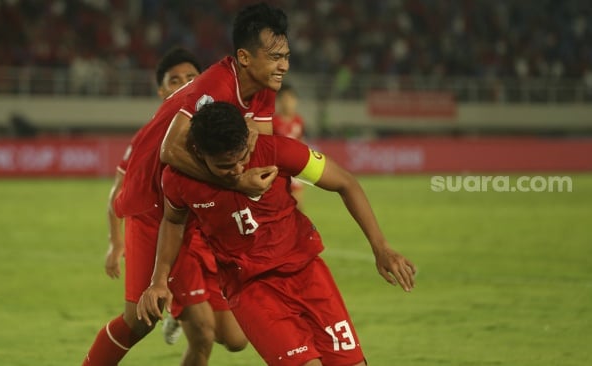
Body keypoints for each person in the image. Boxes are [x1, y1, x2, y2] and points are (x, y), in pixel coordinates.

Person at [84, 2, 291, 365]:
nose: (284, 65)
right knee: (139, 321)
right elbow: (169, 151)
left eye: (286, 55)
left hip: (192, 202)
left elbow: (261, 147)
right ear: (245, 57)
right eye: (275, 57)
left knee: (235, 337)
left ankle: (183, 307)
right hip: (153, 200)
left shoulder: (263, 88)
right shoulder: (214, 86)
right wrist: (237, 182)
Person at [136, 101, 417, 366]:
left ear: (248, 140)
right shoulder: (179, 180)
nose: (238, 170)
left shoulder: (276, 151)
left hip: (308, 274)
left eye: (243, 158)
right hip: (251, 288)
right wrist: (159, 280)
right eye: (224, 166)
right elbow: (173, 222)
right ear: (198, 153)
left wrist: (381, 247)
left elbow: (345, 182)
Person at [84, 47, 247, 366]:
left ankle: (176, 308)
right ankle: (174, 304)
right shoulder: (152, 135)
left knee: (236, 339)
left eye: (191, 78)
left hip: (203, 236)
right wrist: (116, 242)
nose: (185, 84)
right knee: (192, 332)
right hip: (167, 229)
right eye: (175, 80)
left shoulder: (215, 130)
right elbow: (120, 193)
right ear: (162, 90)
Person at [272, 83, 305, 209]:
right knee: (279, 204)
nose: (288, 103)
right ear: (279, 101)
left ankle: (298, 228)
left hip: (295, 167)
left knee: (298, 205)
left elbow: (301, 141)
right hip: (279, 169)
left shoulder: (299, 121)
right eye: (285, 99)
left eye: (291, 99)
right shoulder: (274, 122)